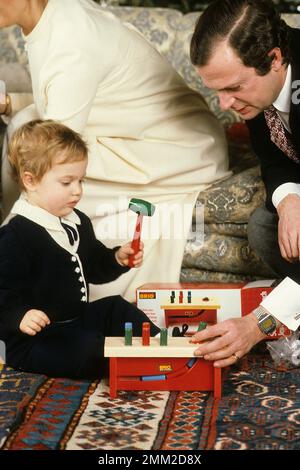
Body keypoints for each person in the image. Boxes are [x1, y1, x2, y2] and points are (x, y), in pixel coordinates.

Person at [0, 0, 230, 302]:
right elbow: (65, 92)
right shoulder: (58, 13)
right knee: (22, 123)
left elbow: (53, 154)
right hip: (142, 133)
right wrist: (9, 104)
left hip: (178, 149)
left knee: (58, 183)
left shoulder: (72, 41)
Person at [0, 119, 160, 378]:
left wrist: (117, 258)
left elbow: (94, 266)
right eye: (66, 182)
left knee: (115, 307)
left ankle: (163, 346)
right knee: (86, 348)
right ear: (30, 181)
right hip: (36, 338)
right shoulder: (15, 235)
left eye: (80, 181)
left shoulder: (78, 221)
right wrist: (20, 315)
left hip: (76, 320)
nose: (77, 191)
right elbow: (3, 291)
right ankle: (126, 363)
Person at [189, 0, 300, 365]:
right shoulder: (258, 91)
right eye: (217, 90)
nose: (224, 104)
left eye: (234, 87)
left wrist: (257, 324)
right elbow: (273, 157)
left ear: (274, 58)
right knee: (265, 226)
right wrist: (289, 201)